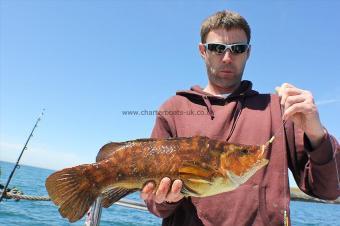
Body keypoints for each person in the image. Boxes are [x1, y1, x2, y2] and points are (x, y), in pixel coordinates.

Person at [140, 10, 340, 226]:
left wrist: (317, 134)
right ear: (202, 51)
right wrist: (163, 200)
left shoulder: (279, 109)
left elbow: (330, 189)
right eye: (217, 48)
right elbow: (156, 206)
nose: (227, 57)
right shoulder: (173, 110)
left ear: (248, 52)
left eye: (237, 49)